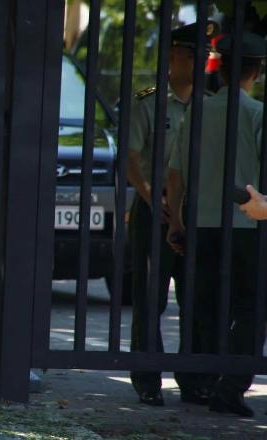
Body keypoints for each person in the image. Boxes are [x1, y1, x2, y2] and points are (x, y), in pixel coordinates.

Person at [167, 31, 266, 418]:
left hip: (202, 223)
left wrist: (176, 220)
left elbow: (176, 171)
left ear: (220, 70)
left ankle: (202, 380)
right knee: (251, 308)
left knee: (205, 306)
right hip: (248, 226)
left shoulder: (197, 112)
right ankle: (232, 385)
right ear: (256, 73)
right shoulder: (256, 114)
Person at [125, 22, 217, 407]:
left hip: (198, 210)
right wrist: (150, 196)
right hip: (156, 208)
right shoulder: (149, 103)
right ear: (172, 56)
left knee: (198, 298)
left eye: (205, 55)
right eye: (192, 54)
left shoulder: (211, 105)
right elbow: (130, 157)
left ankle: (194, 379)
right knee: (151, 298)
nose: (199, 62)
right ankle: (148, 378)